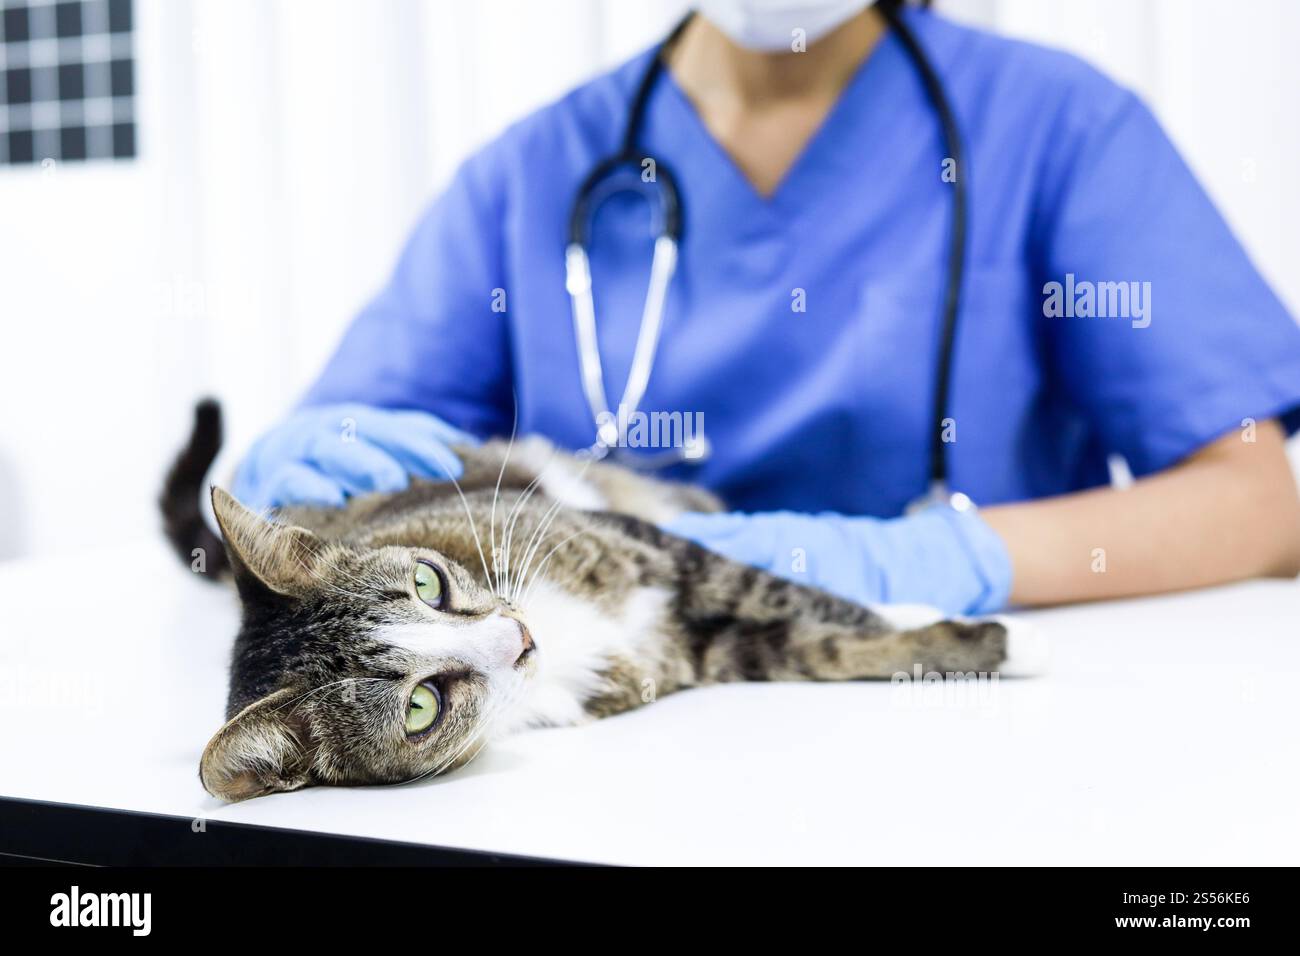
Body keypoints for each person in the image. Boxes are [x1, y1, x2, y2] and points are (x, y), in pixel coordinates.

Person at [233, 0, 1300, 615]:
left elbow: (1255, 505)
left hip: (964, 722)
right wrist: (297, 466)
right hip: (611, 749)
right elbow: (319, 487)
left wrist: (934, 564)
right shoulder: (533, 172)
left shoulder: (1055, 125)